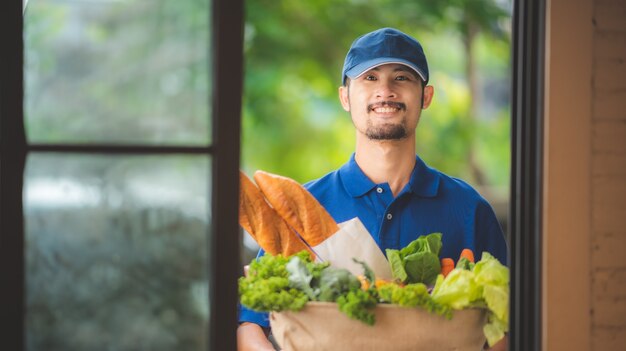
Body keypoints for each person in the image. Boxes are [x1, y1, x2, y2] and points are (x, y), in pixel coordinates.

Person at [237, 27, 508, 351]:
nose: (386, 90)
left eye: (402, 78)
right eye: (369, 78)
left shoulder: (469, 210)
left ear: (427, 96)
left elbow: (499, 329)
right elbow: (250, 326)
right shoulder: (301, 208)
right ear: (344, 97)